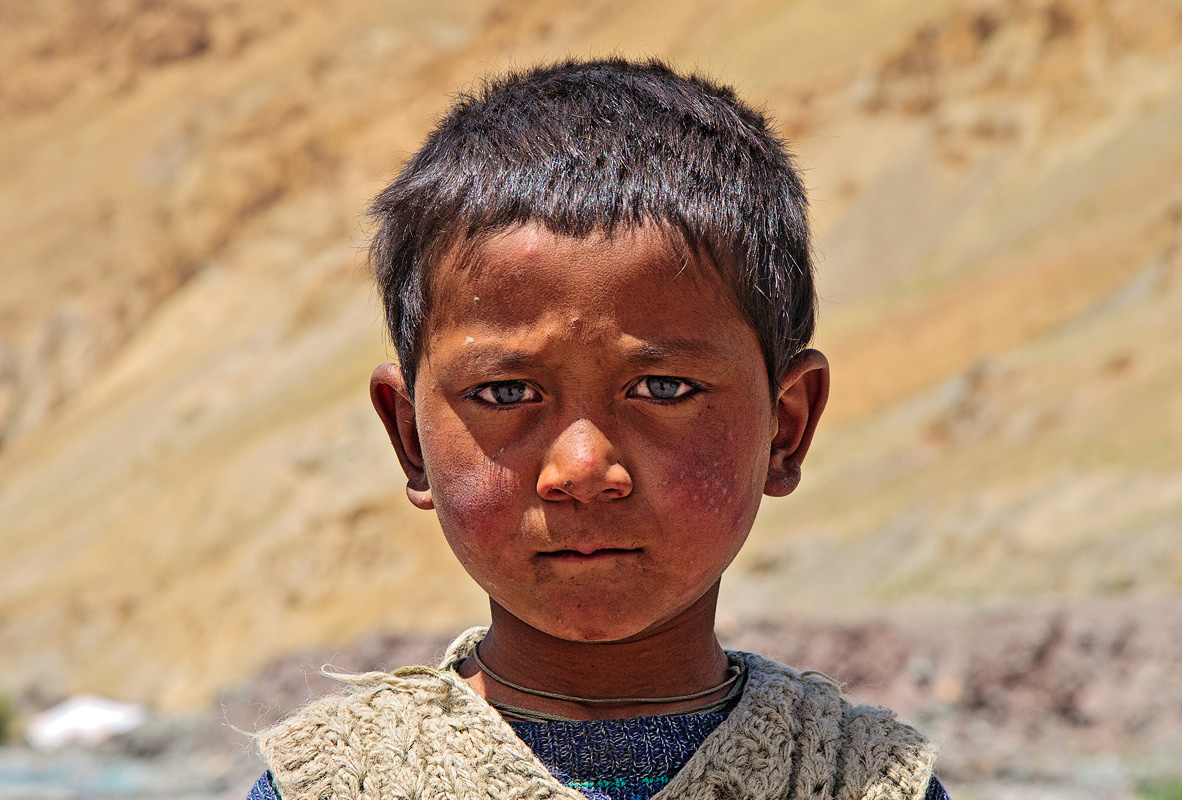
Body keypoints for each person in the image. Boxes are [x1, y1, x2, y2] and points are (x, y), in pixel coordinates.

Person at [246, 57, 950, 800]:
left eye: (664, 388)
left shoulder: (857, 780)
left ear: (787, 426)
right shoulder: (338, 784)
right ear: (410, 436)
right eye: (507, 391)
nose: (583, 467)